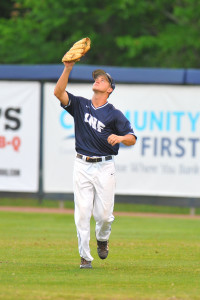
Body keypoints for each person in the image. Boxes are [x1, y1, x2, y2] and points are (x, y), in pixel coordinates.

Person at [54, 61, 137, 269]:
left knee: (104, 216)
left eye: (103, 79)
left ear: (109, 89)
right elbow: (58, 92)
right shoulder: (81, 105)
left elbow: (132, 138)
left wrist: (120, 138)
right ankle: (85, 257)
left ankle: (102, 239)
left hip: (105, 167)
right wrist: (68, 68)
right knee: (82, 213)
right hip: (82, 165)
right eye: (96, 78)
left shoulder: (114, 113)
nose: (98, 80)